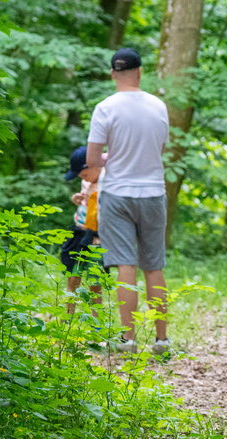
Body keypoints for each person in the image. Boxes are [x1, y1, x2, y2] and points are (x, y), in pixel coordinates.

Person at [85, 47, 171, 355]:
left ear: (112, 74)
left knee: (125, 263)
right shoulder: (159, 106)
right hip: (153, 192)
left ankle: (128, 340)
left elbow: (93, 161)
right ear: (139, 72)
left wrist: (112, 157)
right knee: (154, 264)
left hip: (117, 193)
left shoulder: (105, 108)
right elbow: (157, 152)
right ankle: (161, 340)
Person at [60, 145, 105, 317]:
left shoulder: (108, 183)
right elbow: (84, 200)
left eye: (85, 174)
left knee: (95, 284)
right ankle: (68, 320)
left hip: (96, 240)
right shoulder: (86, 182)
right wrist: (76, 199)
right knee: (73, 278)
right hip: (79, 235)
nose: (84, 179)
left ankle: (97, 327)